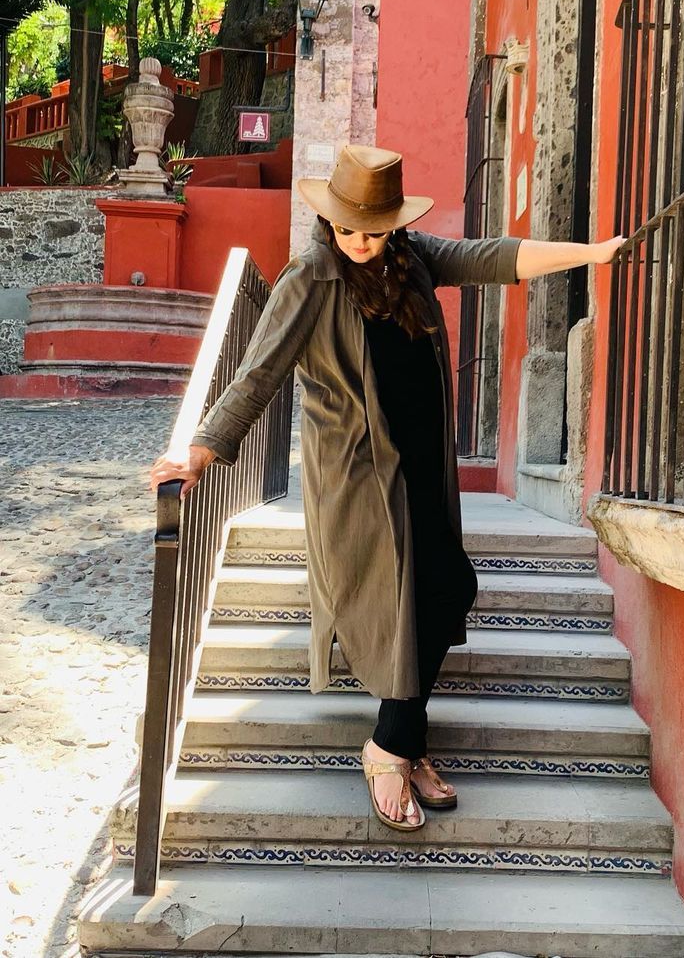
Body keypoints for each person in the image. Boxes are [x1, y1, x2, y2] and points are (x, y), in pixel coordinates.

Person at [148, 145, 623, 833]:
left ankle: (402, 740)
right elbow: (257, 373)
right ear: (330, 220)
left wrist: (593, 254)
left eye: (373, 229)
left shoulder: (413, 257)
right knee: (409, 599)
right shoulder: (311, 277)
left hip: (421, 465)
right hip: (361, 478)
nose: (360, 242)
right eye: (347, 228)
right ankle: (392, 747)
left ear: (394, 223)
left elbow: (494, 257)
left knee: (444, 588)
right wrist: (200, 450)